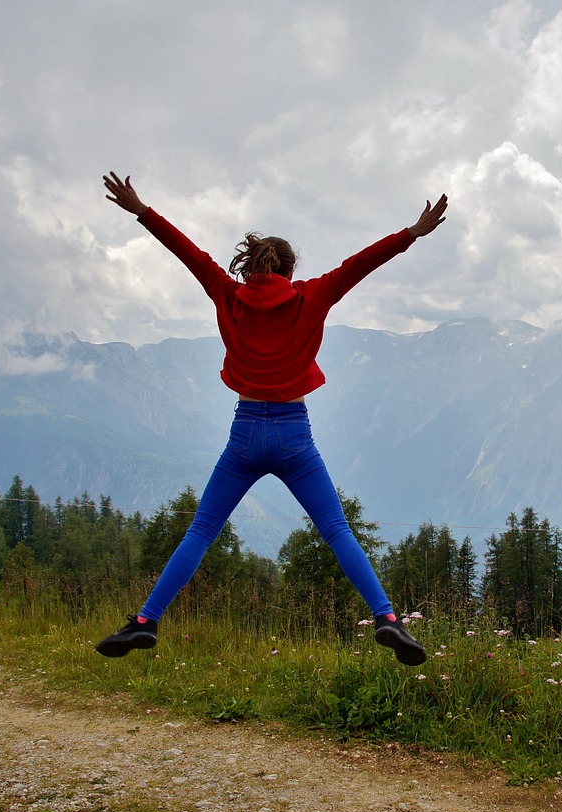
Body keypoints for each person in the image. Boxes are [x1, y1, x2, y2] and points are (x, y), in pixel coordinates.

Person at [95, 171, 448, 666]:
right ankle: (387, 619)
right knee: (337, 530)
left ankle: (146, 621)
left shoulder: (227, 294)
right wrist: (411, 234)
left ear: (254, 266)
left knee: (201, 530)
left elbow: (188, 252)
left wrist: (141, 210)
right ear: (289, 268)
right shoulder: (312, 295)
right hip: (293, 435)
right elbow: (360, 265)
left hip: (244, 434)